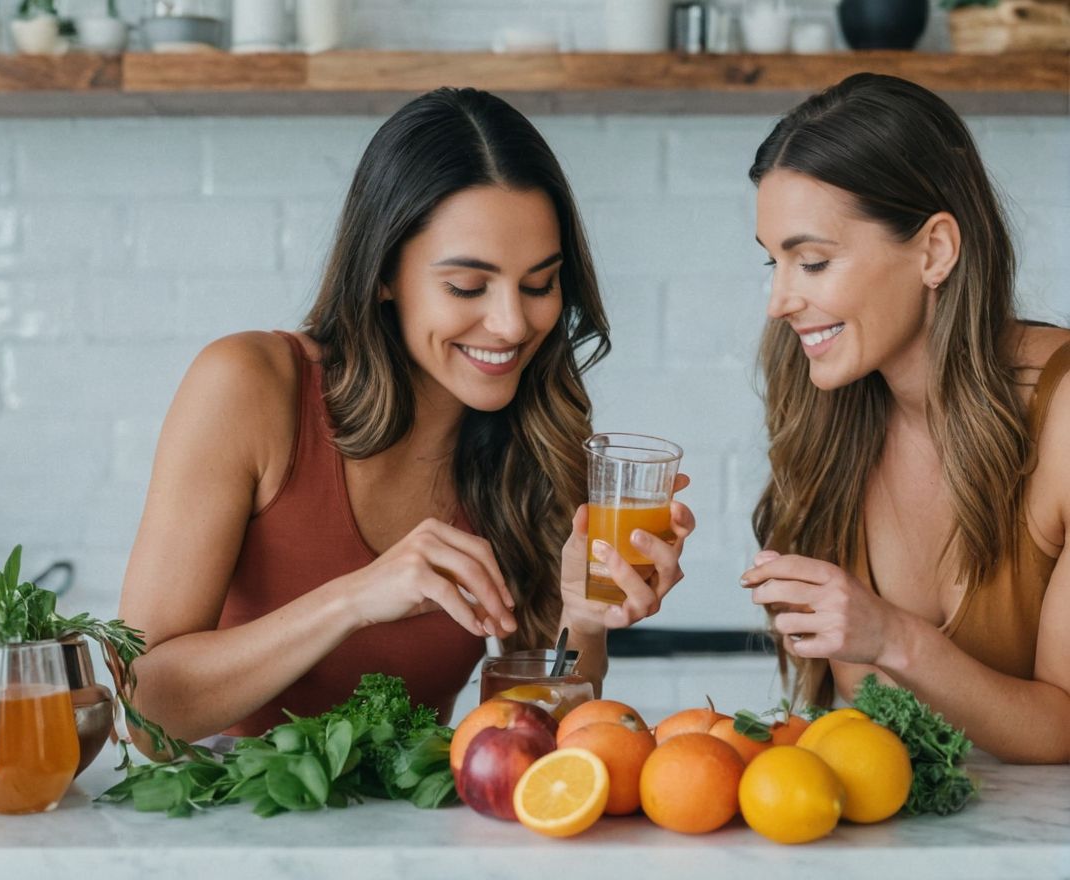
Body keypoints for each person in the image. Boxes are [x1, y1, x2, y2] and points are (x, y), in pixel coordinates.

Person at [117, 87, 695, 744]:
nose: (512, 324)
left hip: (411, 838)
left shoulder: (534, 437)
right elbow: (144, 709)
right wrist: (355, 599)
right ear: (384, 273)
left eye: (539, 285)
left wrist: (586, 620)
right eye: (467, 286)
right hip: (231, 826)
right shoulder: (250, 386)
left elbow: (534, 734)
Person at [740, 73, 1070, 763]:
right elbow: (884, 733)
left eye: (813, 261)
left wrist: (892, 636)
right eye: (774, 263)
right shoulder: (832, 417)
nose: (779, 301)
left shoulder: (1062, 414)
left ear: (934, 251)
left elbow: (1064, 729)